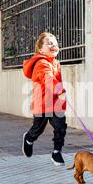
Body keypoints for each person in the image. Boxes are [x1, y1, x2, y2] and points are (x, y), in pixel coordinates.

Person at [22, 32, 67, 166]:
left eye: (55, 43)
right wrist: (60, 91)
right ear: (41, 50)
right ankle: (29, 139)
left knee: (60, 127)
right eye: (49, 43)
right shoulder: (41, 63)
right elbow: (48, 79)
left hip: (55, 103)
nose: (53, 45)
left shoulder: (55, 63)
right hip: (42, 104)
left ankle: (56, 152)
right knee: (38, 129)